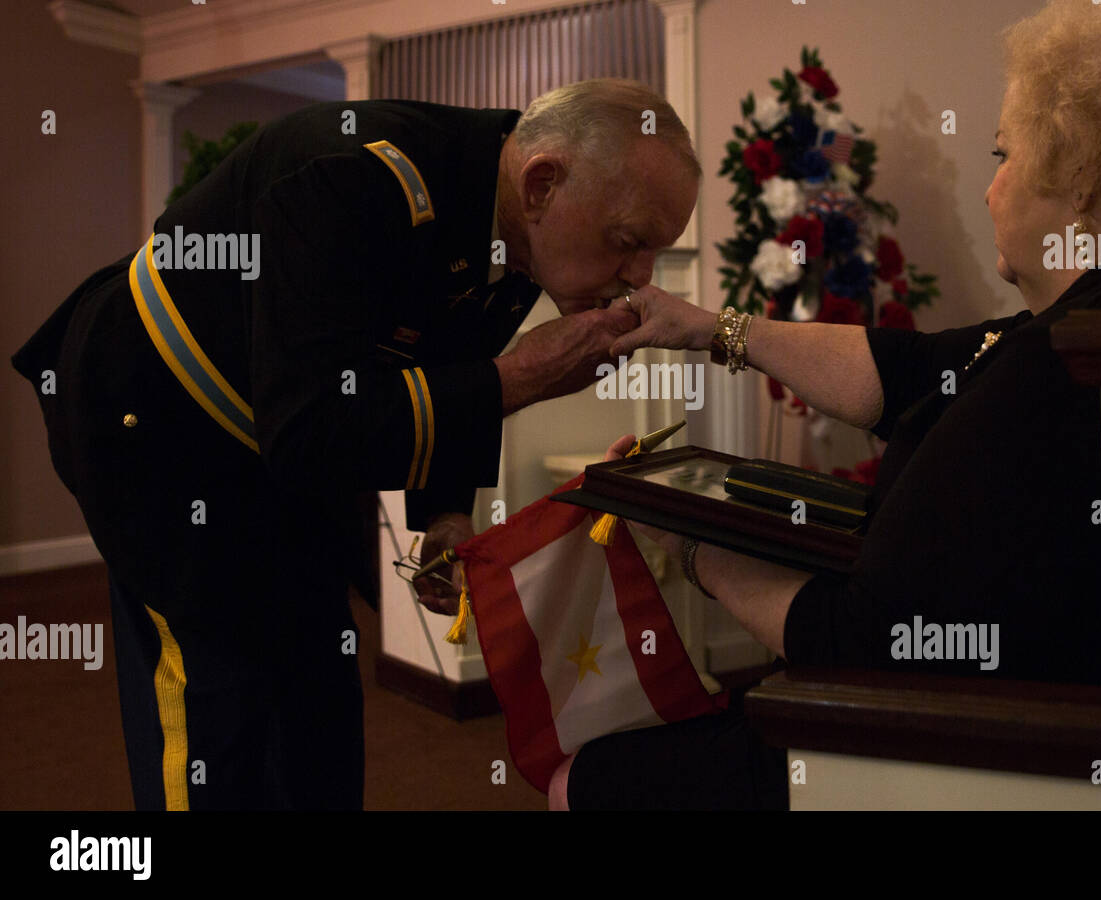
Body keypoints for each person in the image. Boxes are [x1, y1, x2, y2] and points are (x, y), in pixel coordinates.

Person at [545, 0, 1101, 810]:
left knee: (582, 779)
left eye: (1002, 156)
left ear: (1081, 171)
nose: (989, 188)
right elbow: (915, 369)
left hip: (996, 753)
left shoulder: (1062, 360)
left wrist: (686, 546)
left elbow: (856, 643)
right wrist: (711, 329)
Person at [11, 78, 700, 810]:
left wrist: (444, 514)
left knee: (318, 682)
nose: (639, 277)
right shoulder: (350, 174)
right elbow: (313, 429)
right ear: (542, 183)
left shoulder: (517, 220)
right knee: (220, 698)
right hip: (156, 421)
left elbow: (443, 358)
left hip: (283, 438)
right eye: (629, 243)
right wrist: (521, 378)